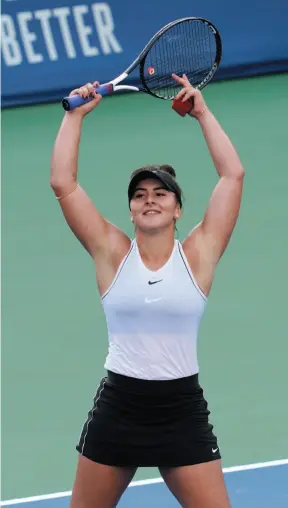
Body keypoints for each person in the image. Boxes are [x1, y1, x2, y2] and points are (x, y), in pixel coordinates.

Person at [50, 74, 245, 508]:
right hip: (119, 409)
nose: (149, 199)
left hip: (181, 411)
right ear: (131, 209)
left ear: (178, 209)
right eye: (140, 195)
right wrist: (74, 118)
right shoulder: (111, 252)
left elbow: (232, 176)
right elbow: (64, 184)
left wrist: (203, 114)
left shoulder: (198, 254)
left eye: (160, 193)